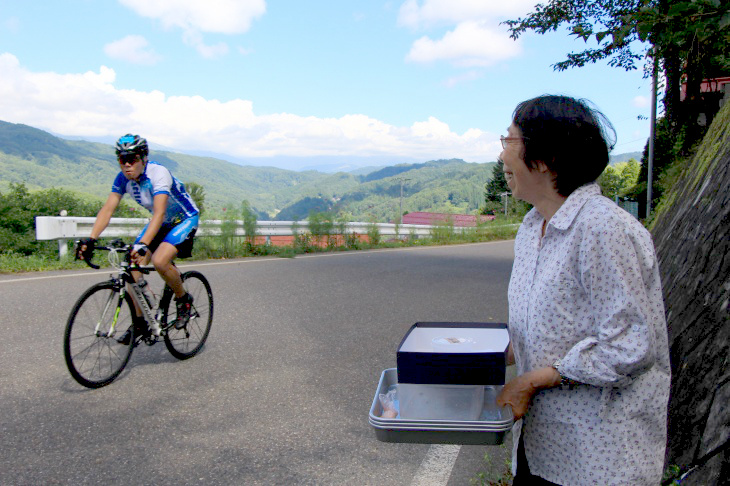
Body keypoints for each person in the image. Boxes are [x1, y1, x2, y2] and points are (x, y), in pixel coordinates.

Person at [494, 95, 670, 485]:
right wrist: (487, 355)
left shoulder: (603, 228)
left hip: (597, 457)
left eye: (509, 141)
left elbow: (630, 346)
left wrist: (535, 378)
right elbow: (549, 322)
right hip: (541, 445)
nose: (502, 155)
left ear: (545, 158)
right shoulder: (532, 227)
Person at [76, 134, 200, 344]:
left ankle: (183, 300)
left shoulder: (158, 174)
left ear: (143, 157)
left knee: (160, 261)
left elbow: (159, 213)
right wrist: (91, 238)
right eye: (121, 159)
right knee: (132, 266)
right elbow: (107, 209)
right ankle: (141, 322)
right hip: (160, 222)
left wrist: (143, 245)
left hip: (183, 219)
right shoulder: (122, 179)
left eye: (131, 159)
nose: (126, 165)